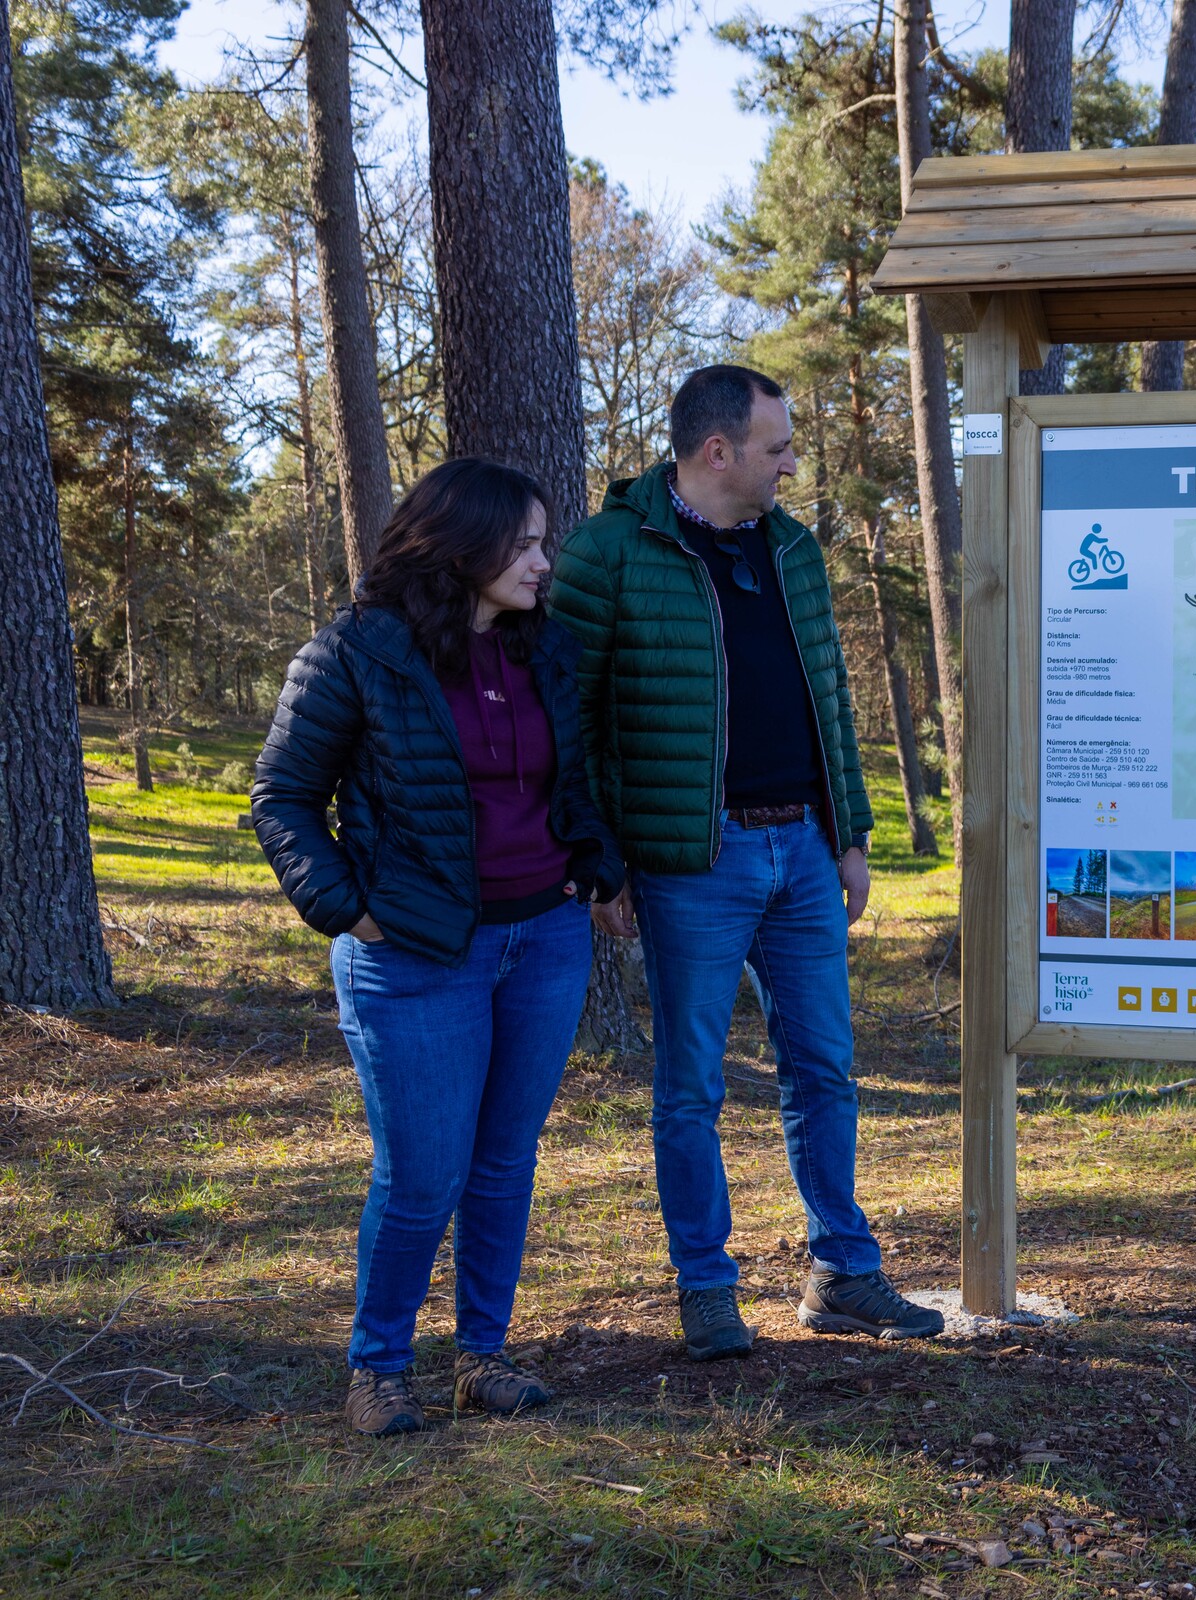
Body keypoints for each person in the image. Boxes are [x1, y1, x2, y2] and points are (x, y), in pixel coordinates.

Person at [551, 364, 941, 1357]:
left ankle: (842, 1271)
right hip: (692, 861)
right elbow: (569, 722)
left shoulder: (794, 550)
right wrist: (602, 861)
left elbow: (830, 698)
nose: (792, 463)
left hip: (803, 849)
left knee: (825, 1070)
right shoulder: (608, 553)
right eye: (778, 446)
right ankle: (705, 1286)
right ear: (717, 450)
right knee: (691, 1086)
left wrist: (849, 834)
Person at [253, 458, 623, 1437]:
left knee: (504, 1162)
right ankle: (378, 1368)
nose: (544, 563)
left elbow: (573, 777)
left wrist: (593, 860)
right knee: (422, 1178)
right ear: (463, 547)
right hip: (415, 956)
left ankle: (481, 1357)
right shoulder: (356, 651)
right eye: (526, 545)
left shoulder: (548, 649)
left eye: (545, 543)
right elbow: (282, 794)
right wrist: (349, 909)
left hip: (545, 940)